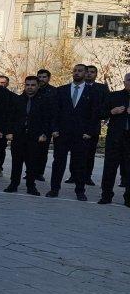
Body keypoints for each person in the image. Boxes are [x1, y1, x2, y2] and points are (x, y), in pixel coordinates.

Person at [49, 64, 102, 201]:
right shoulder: (61, 90)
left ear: (85, 73)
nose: (77, 73)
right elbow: (55, 111)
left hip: (82, 134)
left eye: (80, 71)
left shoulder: (92, 92)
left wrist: (90, 132)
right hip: (62, 133)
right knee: (58, 162)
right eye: (75, 71)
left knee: (80, 163)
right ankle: (54, 189)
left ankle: (80, 190)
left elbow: (94, 114)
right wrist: (54, 129)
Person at [5, 76, 53, 195]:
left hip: (35, 137)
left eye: (32, 85)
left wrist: (44, 134)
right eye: (27, 85)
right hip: (18, 136)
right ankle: (13, 184)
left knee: (32, 163)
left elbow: (48, 119)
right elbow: (10, 117)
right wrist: (9, 131)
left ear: (37, 86)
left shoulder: (44, 101)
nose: (30, 87)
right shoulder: (17, 99)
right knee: (16, 162)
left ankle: (31, 186)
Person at [99, 72, 130, 206]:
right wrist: (113, 112)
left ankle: (128, 198)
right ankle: (106, 195)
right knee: (110, 167)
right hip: (115, 138)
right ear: (124, 82)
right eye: (129, 80)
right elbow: (100, 113)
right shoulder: (114, 96)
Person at [83, 65, 107, 185]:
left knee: (90, 153)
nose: (89, 74)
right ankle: (73, 175)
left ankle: (87, 176)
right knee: (77, 152)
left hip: (93, 125)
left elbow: (106, 106)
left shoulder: (102, 88)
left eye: (92, 72)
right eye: (87, 72)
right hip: (77, 125)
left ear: (96, 74)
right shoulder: (77, 87)